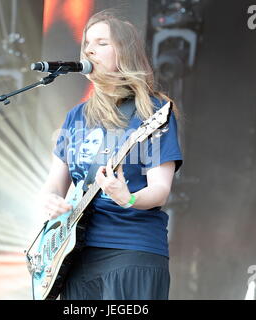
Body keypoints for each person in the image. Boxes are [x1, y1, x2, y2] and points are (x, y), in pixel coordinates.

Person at [39, 9, 183, 300]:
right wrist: (51, 201)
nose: (90, 49)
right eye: (87, 43)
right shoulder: (75, 117)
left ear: (125, 52)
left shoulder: (152, 113)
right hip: (73, 256)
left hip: (131, 250)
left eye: (102, 43)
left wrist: (127, 197)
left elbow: (160, 190)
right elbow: (55, 183)